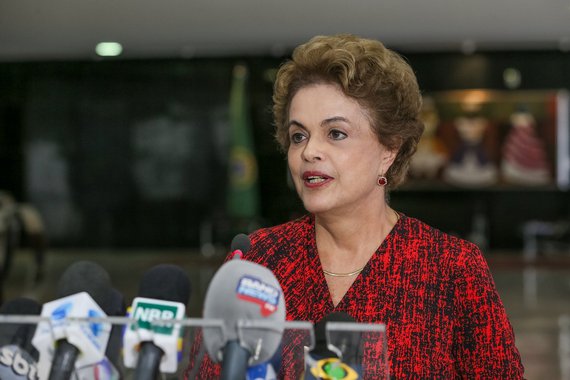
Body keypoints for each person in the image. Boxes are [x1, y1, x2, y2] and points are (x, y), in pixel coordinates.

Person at [185, 34, 524, 379]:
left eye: (335, 133)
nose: (309, 152)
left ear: (389, 150)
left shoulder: (453, 268)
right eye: (298, 136)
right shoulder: (256, 262)